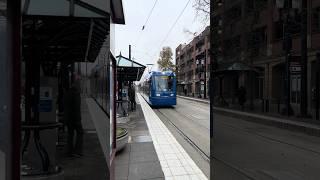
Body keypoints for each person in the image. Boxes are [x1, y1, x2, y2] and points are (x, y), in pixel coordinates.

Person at [63, 79, 83, 157]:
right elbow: (77, 107)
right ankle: (77, 151)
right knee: (80, 133)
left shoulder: (67, 93)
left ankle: (69, 151)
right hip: (75, 118)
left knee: (70, 134)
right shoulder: (76, 94)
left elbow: (65, 105)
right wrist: (78, 119)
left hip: (68, 118)